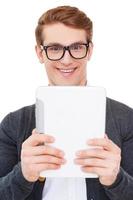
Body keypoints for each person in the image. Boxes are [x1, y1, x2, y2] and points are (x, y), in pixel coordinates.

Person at [0, 5, 133, 200]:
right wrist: (23, 175)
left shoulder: (126, 119)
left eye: (77, 47)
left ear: (90, 51)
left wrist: (117, 179)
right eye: (55, 49)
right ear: (40, 53)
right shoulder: (13, 124)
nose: (67, 60)